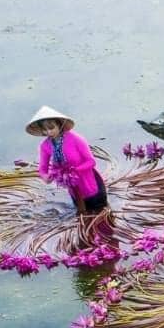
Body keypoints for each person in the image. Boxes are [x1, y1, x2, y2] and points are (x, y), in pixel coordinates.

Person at [27, 105, 113, 247]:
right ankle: (87, 243)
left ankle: (106, 245)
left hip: (91, 186)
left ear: (59, 125)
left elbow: (91, 162)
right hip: (74, 190)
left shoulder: (75, 139)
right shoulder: (45, 146)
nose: (48, 132)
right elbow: (42, 169)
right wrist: (46, 177)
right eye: (45, 129)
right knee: (83, 215)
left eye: (51, 127)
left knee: (102, 216)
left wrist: (73, 170)